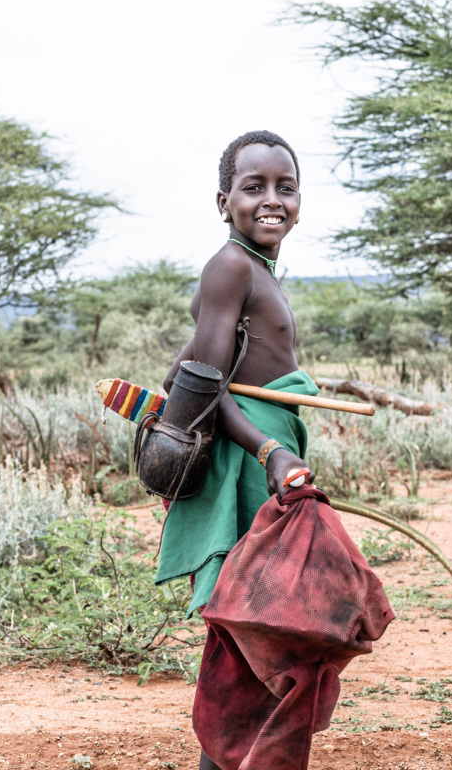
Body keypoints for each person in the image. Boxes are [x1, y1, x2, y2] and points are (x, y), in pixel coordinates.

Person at [153, 130, 316, 769]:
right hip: (252, 466)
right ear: (225, 202)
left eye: (286, 187)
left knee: (261, 627)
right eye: (254, 187)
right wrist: (268, 449)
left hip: (264, 460)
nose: (272, 200)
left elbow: (194, 364)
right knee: (252, 626)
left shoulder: (254, 270)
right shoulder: (230, 265)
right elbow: (206, 382)